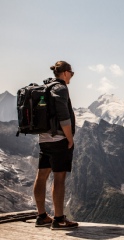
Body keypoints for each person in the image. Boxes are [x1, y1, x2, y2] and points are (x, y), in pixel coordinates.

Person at [33, 61, 78, 230]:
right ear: (65, 73)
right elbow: (63, 116)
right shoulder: (61, 88)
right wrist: (69, 138)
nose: (71, 77)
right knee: (59, 178)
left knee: (42, 175)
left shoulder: (45, 87)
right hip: (59, 140)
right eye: (71, 73)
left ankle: (41, 216)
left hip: (44, 139)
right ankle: (59, 220)